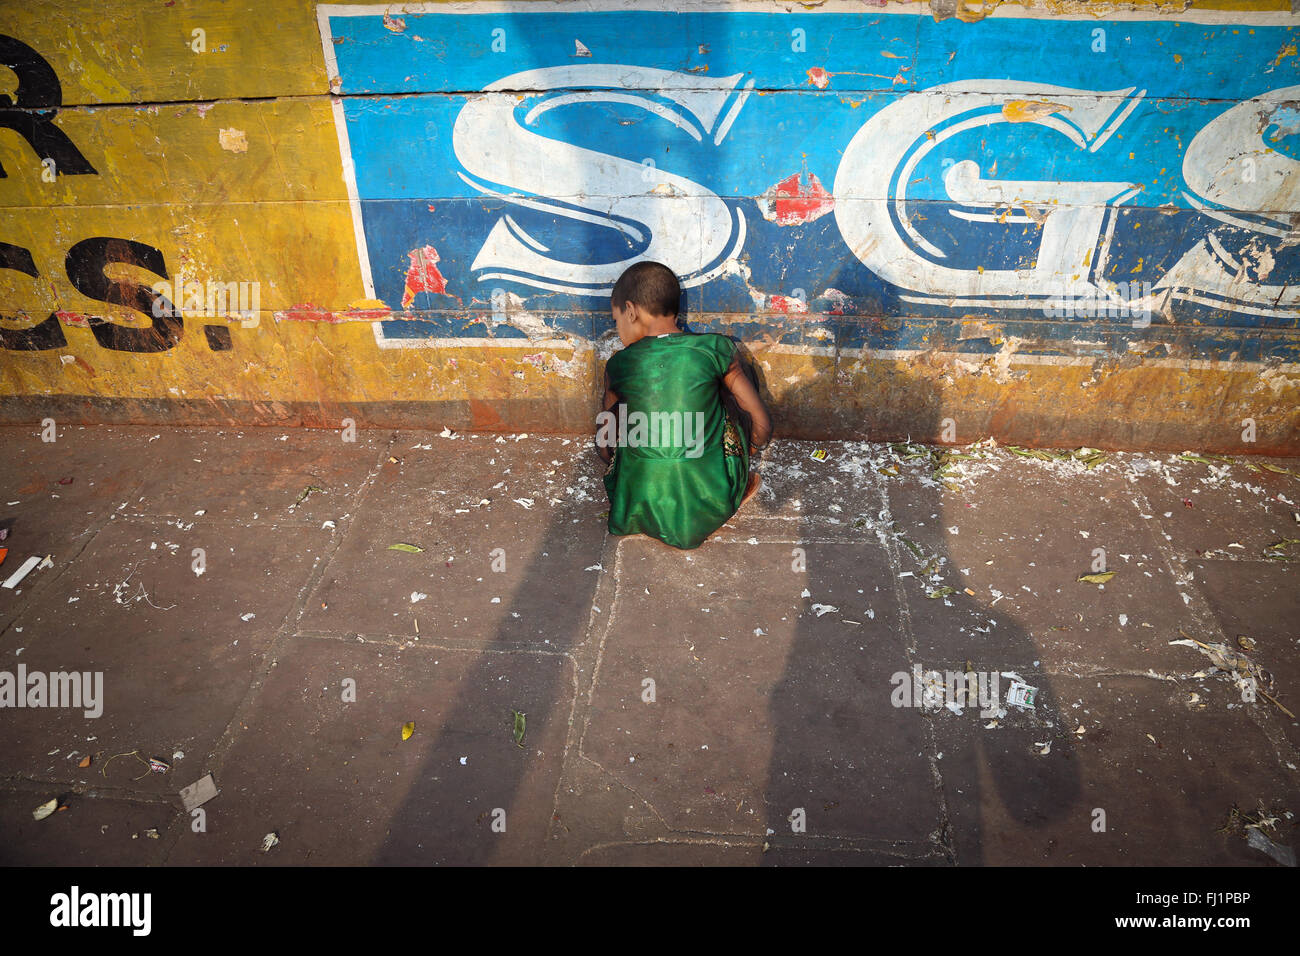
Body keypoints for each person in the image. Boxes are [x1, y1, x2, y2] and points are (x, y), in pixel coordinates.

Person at [595, 261, 772, 550]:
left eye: (617, 320)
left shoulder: (618, 364)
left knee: (624, 411)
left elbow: (604, 447)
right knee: (731, 390)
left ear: (631, 311)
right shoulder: (716, 348)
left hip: (633, 504)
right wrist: (745, 452)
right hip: (705, 505)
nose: (618, 328)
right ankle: (730, 481)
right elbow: (762, 427)